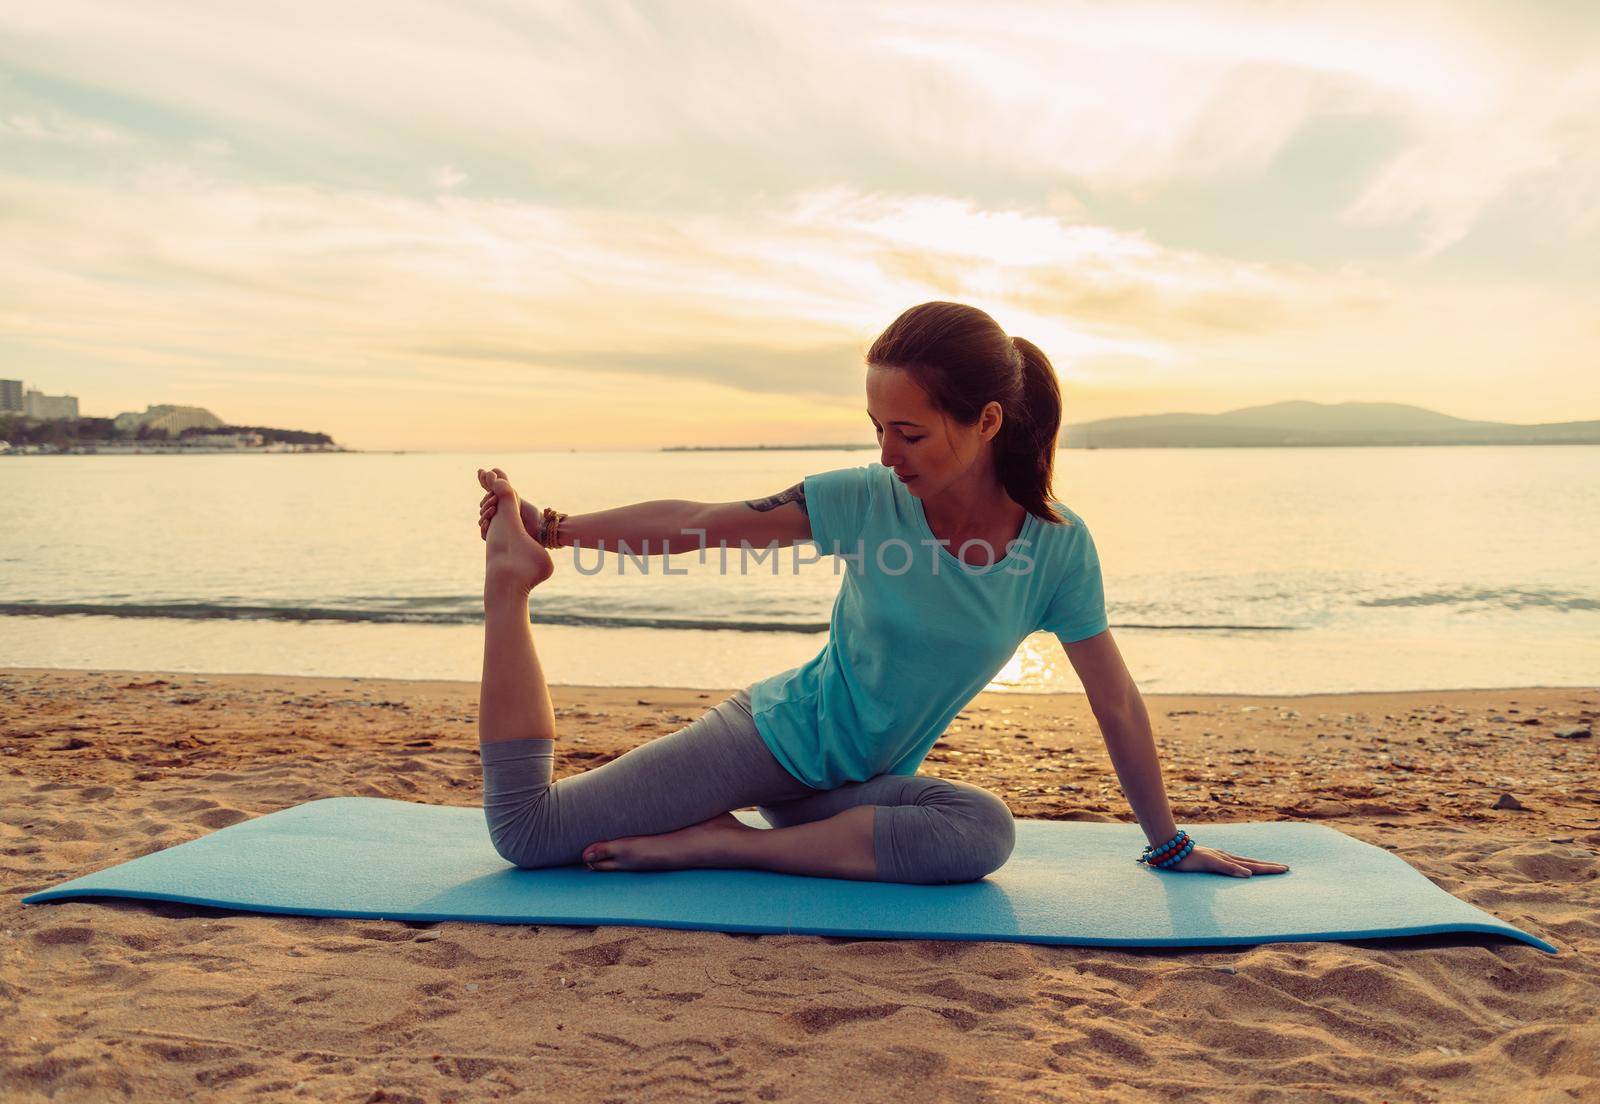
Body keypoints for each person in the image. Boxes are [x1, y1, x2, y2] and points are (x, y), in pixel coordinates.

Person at [474, 301, 1290, 884]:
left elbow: (1114, 700)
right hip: (770, 737)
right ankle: (509, 590)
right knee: (527, 832)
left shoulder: (1059, 549)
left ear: (988, 422)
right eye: (877, 428)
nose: (888, 452)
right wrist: (551, 527)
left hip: (852, 791)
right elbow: (701, 523)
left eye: (910, 432)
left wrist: (1169, 843)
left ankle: (724, 845)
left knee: (982, 833)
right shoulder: (867, 499)